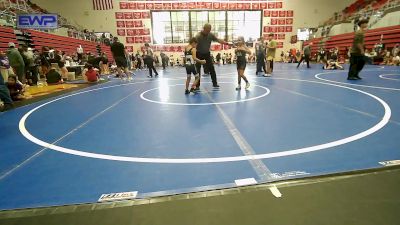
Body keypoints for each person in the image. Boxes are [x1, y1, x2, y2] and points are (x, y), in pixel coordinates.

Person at [195, 23, 228, 88]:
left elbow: (218, 40)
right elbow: (193, 45)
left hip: (207, 54)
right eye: (207, 30)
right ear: (204, 29)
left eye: (209, 30)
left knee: (212, 69)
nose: (208, 32)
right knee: (198, 70)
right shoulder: (198, 36)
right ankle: (197, 85)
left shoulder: (210, 35)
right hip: (198, 54)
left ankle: (215, 83)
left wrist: (225, 43)